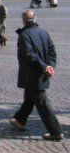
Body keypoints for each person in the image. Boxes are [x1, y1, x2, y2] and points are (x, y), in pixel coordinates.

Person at [9, 10, 63, 141]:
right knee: (29, 97)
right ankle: (20, 120)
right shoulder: (44, 32)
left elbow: (29, 55)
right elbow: (52, 52)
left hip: (32, 74)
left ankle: (56, 132)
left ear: (23, 21)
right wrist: (50, 66)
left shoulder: (24, 35)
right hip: (42, 72)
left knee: (42, 103)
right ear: (35, 18)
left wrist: (45, 67)